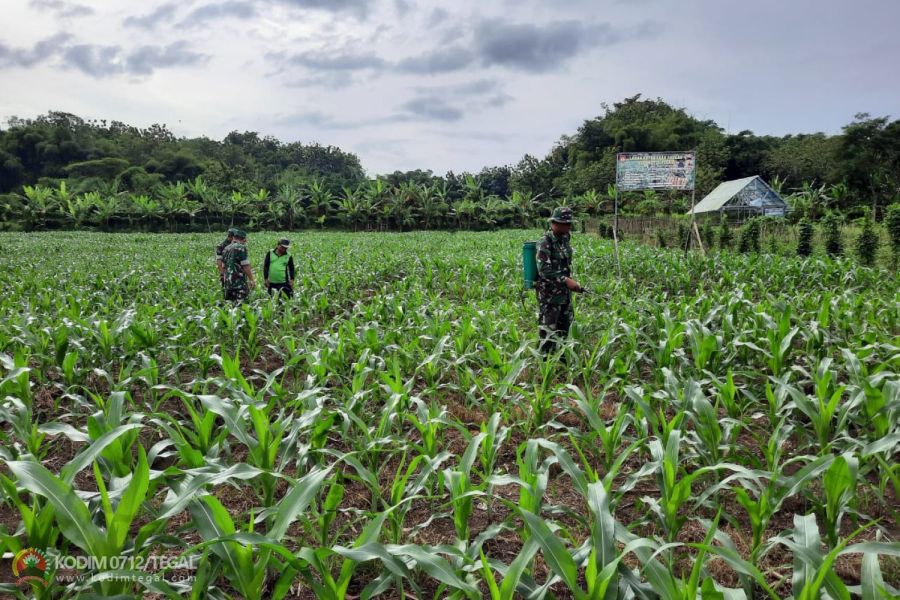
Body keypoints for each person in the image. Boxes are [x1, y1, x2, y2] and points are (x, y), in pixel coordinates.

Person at [534, 207, 582, 357]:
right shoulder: (545, 242)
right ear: (554, 223)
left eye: (569, 223)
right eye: (564, 223)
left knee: (565, 330)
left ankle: (562, 362)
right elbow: (544, 270)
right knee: (548, 333)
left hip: (564, 295)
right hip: (549, 296)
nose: (568, 226)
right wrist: (566, 280)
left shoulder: (565, 238)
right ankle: (545, 366)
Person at [222, 229, 256, 302]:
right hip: (239, 284)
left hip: (228, 283)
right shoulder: (241, 247)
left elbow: (223, 266)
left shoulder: (226, 248)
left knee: (230, 307)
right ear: (244, 239)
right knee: (241, 307)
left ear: (234, 238)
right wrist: (252, 280)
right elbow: (245, 266)